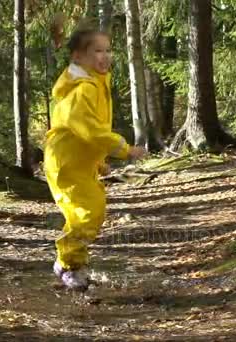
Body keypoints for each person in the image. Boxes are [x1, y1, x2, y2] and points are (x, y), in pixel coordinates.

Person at [44, 27, 146, 291]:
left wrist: (99, 161)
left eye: (108, 50)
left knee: (89, 212)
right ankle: (68, 265)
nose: (105, 57)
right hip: (65, 163)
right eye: (97, 51)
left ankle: (71, 261)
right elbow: (90, 129)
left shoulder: (97, 83)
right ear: (78, 56)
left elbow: (92, 128)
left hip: (81, 161)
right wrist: (124, 148)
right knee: (87, 213)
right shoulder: (82, 90)